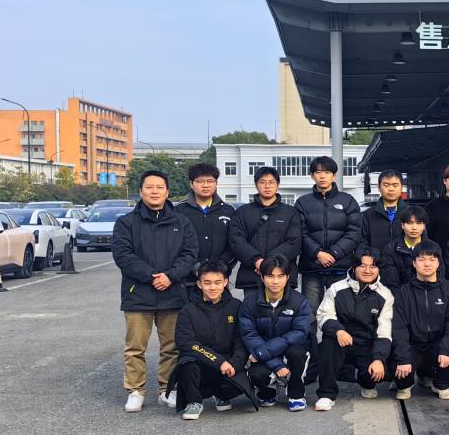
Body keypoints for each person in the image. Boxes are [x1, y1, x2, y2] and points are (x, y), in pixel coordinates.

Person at [113, 170, 199, 412]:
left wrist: (170, 276)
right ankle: (135, 390)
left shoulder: (181, 222)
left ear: (167, 191)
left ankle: (167, 390)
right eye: (149, 187)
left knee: (171, 346)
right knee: (135, 347)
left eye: (159, 187)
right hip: (138, 294)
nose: (154, 191)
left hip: (172, 292)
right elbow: (123, 255)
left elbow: (190, 253)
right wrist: (152, 276)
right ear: (140, 191)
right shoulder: (126, 223)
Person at [170, 260, 257, 421]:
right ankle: (194, 402)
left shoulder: (236, 306)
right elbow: (186, 342)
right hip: (200, 362)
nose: (213, 287)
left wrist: (234, 364)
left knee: (241, 384)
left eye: (217, 282)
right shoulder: (188, 310)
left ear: (225, 282)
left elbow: (241, 340)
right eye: (207, 283)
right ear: (199, 284)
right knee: (186, 364)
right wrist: (218, 362)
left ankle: (221, 395)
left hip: (227, 364)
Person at [313, 247, 395, 410]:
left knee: (381, 372)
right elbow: (324, 315)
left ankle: (365, 382)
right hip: (340, 340)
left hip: (366, 344)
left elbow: (384, 330)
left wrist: (378, 359)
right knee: (327, 345)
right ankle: (326, 395)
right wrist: (338, 330)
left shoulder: (385, 295)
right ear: (354, 267)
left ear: (378, 269)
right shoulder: (336, 288)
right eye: (362, 266)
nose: (367, 270)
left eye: (372, 266)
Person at [391, 241, 449, 401]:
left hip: (437, 343)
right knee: (398, 367)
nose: (427, 264)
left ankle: (441, 384)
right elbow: (398, 327)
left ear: (438, 263)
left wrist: (446, 349)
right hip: (413, 343)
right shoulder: (403, 293)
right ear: (414, 263)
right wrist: (403, 358)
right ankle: (405, 384)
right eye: (422, 259)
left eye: (432, 259)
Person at [240, 255, 313, 410]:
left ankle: (296, 394)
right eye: (270, 276)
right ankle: (268, 391)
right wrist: (277, 365)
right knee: (256, 374)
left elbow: (300, 331)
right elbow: (249, 334)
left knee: (297, 353)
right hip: (262, 347)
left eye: (280, 276)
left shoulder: (300, 301)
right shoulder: (249, 302)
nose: (275, 281)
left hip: (287, 348)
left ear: (288, 277)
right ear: (262, 277)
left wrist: (264, 352)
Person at [295, 156, 364, 314]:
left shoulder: (348, 201)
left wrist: (334, 253)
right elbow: (299, 232)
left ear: (334, 176)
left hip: (341, 268)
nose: (322, 176)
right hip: (312, 269)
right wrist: (317, 253)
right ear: (312, 176)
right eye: (318, 172)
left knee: (342, 313)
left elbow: (354, 232)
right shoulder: (302, 203)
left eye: (327, 172)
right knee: (309, 314)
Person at [229, 166, 302, 303]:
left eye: (271, 182)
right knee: (252, 312)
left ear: (278, 184)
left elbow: (294, 242)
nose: (267, 186)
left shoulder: (291, 213)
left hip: (281, 276)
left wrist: (268, 263)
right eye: (262, 182)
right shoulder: (242, 212)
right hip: (252, 275)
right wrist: (257, 260)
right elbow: (236, 240)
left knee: (283, 313)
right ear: (256, 184)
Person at [174, 163, 237, 301]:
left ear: (216, 183)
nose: (205, 185)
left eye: (210, 181)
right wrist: (196, 268)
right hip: (187, 281)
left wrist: (221, 267)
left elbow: (235, 243)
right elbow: (174, 245)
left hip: (219, 279)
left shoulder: (229, 210)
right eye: (200, 181)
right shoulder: (178, 211)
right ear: (191, 184)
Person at [380, 205, 444, 288]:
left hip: (429, 293)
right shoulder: (390, 249)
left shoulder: (434, 247)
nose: (414, 228)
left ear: (424, 226)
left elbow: (440, 277)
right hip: (402, 294)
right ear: (402, 225)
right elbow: (391, 284)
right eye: (409, 223)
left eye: (419, 223)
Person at [362, 169, 406, 252]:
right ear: (379, 187)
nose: (391, 189)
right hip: (377, 259)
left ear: (401, 187)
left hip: (406, 259)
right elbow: (362, 242)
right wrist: (367, 256)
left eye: (395, 185)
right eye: (386, 185)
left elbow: (422, 242)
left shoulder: (411, 213)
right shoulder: (368, 215)